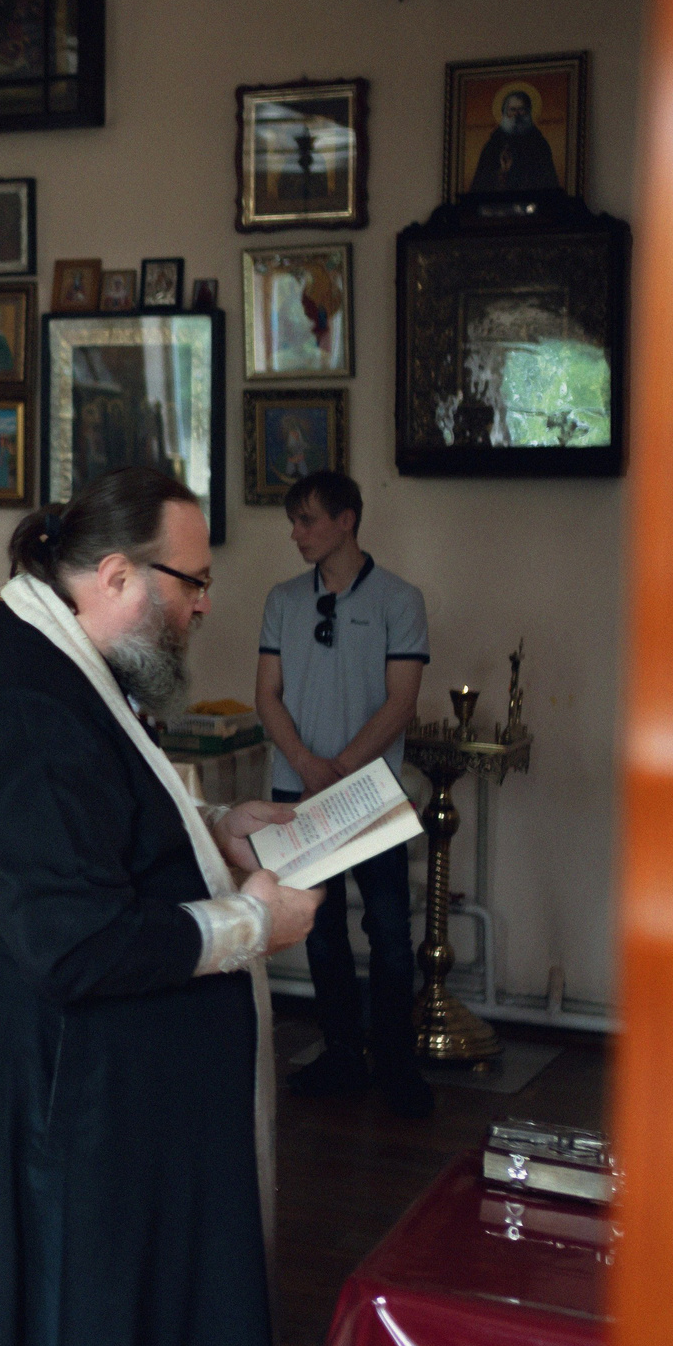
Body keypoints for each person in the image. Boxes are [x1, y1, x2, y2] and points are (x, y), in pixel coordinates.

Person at [0, 467, 320, 1346]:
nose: (202, 604)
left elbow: (84, 829)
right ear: (114, 573)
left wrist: (212, 830)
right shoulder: (20, 695)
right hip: (45, 1095)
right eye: (188, 581)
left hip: (61, 1081)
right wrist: (251, 924)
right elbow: (74, 939)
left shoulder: (50, 654)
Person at [257, 470, 434, 1118]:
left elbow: (402, 700)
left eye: (308, 519)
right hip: (297, 784)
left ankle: (394, 1058)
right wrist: (305, 763)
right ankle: (340, 1052)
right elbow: (266, 693)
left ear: (347, 519)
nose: (297, 532)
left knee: (388, 926)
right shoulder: (283, 598)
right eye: (294, 520)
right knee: (320, 929)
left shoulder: (399, 598)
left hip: (369, 791)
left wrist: (343, 765)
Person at [467, 87, 562, 194]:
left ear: (528, 112)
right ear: (504, 112)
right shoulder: (493, 145)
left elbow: (547, 183)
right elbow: (481, 184)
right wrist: (502, 173)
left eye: (521, 109)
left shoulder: (538, 144)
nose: (516, 115)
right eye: (512, 110)